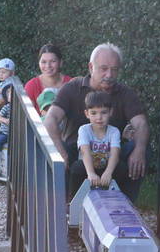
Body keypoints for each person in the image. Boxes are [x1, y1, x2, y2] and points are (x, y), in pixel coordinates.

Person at [43, 42, 148, 200]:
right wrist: (60, 152)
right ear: (91, 67)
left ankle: (127, 203)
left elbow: (141, 123)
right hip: (76, 153)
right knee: (56, 150)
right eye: (104, 68)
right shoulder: (72, 88)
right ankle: (63, 203)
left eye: (114, 69)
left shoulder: (125, 93)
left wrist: (139, 150)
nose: (109, 74)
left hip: (112, 154)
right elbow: (50, 119)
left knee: (140, 147)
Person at [77, 91, 121, 189]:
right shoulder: (84, 129)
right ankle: (73, 196)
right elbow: (84, 151)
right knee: (77, 168)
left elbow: (115, 153)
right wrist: (91, 173)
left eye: (104, 112)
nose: (99, 117)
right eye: (93, 113)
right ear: (87, 114)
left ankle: (120, 195)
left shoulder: (114, 131)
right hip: (87, 166)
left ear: (110, 112)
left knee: (121, 167)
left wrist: (108, 172)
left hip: (106, 166)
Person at [23, 44, 72, 115]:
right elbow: (26, 115)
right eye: (43, 62)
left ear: (60, 62)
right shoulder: (32, 86)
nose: (48, 66)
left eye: (53, 61)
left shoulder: (70, 83)